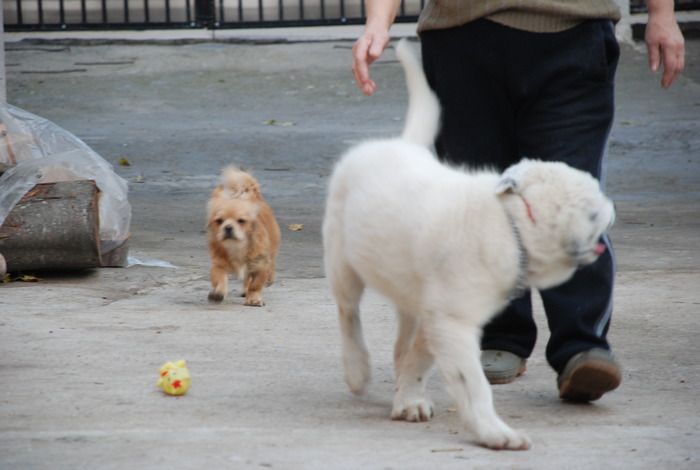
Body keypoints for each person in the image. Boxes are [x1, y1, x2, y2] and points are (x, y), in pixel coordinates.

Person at [351, 0, 685, 402]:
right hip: (460, 35)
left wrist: (662, 14)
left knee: (569, 195)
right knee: (479, 200)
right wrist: (377, 21)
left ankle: (581, 345)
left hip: (574, 31)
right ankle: (499, 333)